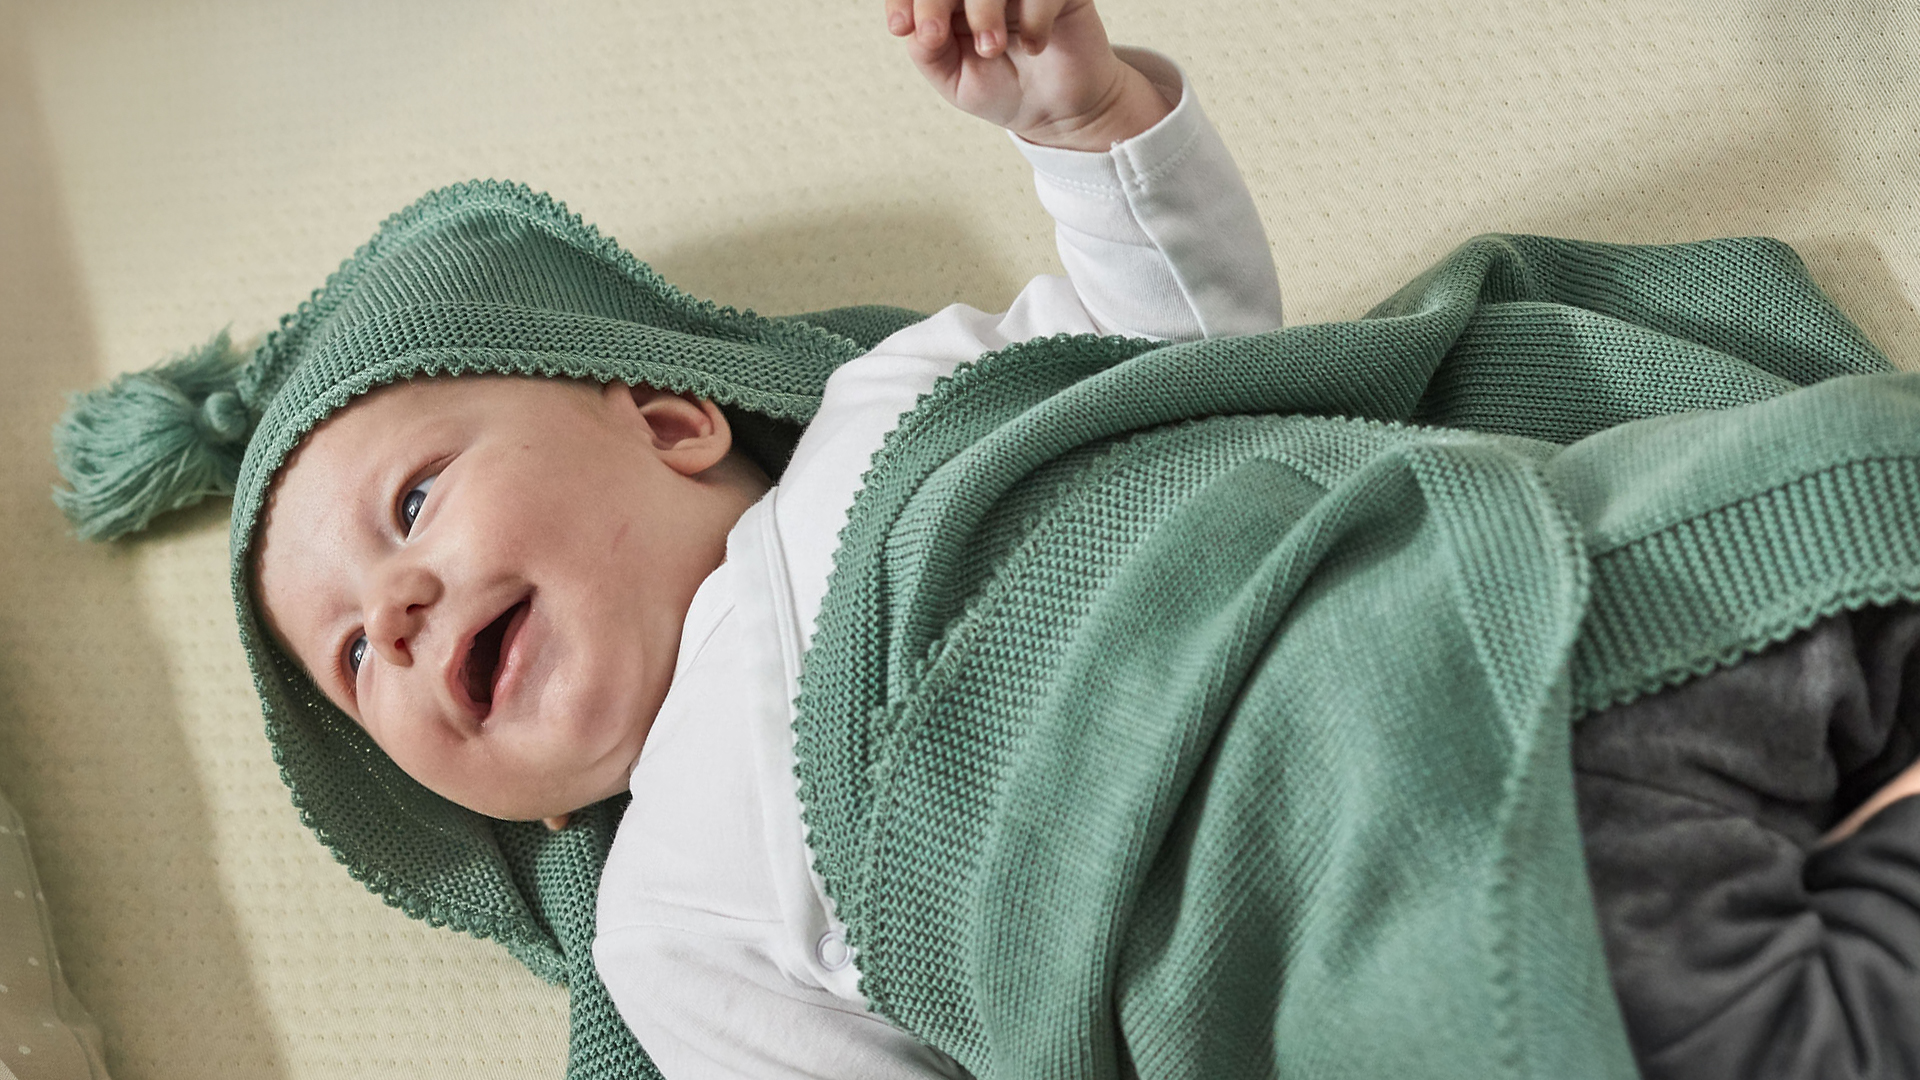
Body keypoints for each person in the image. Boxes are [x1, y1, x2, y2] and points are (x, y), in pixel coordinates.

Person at [47, 2, 1920, 1077]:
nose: (395, 612)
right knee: (1681, 1014)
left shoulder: (908, 403)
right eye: (353, 659)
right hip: (1313, 878)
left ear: (672, 419)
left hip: (1485, 587)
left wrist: (1080, 115)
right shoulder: (666, 921)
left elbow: (1195, 342)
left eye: (414, 504)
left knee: (1831, 507)